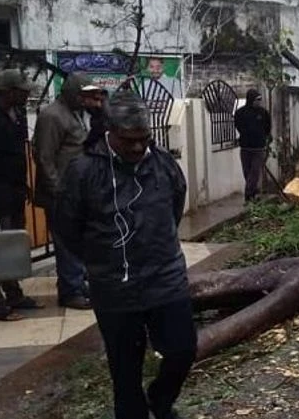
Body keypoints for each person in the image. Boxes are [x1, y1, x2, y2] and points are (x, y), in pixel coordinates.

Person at [55, 91, 195, 419]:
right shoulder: (84, 171)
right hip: (115, 288)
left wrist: (156, 245)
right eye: (128, 140)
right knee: (125, 372)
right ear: (110, 131)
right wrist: (100, 260)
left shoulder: (163, 164)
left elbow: (176, 205)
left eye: (143, 139)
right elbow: (66, 226)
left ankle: (160, 399)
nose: (136, 147)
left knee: (182, 350)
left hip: (166, 279)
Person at [0, 69, 44, 321]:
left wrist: (22, 184)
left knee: (11, 246)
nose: (26, 94)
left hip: (11, 193)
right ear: (7, 91)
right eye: (21, 90)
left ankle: (14, 294)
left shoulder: (13, 115)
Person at [33, 72, 105, 309]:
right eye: (85, 96)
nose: (88, 100)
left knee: (77, 241)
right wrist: (57, 191)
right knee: (66, 244)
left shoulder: (75, 113)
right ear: (74, 95)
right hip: (60, 193)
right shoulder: (52, 116)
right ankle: (70, 291)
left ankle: (75, 282)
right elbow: (44, 157)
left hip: (74, 192)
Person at [234, 89, 271, 202]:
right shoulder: (240, 113)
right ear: (251, 100)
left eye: (260, 99)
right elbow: (238, 125)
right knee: (247, 172)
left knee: (255, 172)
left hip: (259, 148)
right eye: (257, 100)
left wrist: (263, 137)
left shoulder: (263, 113)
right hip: (245, 147)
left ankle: (248, 195)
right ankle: (253, 193)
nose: (259, 102)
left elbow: (268, 127)